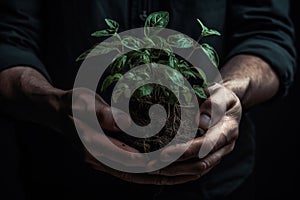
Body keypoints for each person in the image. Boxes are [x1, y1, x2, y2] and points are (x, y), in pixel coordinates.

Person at [0, 1, 296, 200]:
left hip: (214, 188)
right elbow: (8, 38)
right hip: (63, 180)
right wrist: (54, 104)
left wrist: (228, 92)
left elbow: (266, 32)